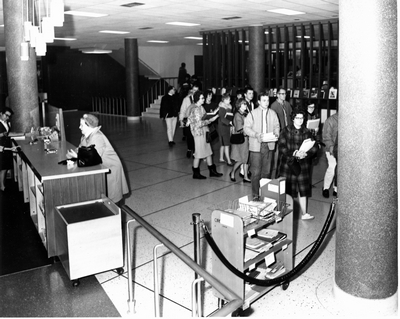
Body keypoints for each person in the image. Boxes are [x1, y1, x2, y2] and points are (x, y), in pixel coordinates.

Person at [66, 114, 129, 204]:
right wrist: (73, 153)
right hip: (101, 167)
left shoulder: (97, 137)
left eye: (82, 125)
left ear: (89, 126)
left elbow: (94, 158)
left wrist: (77, 156)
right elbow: (80, 148)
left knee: (112, 201)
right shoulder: (86, 136)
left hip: (110, 169)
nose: (79, 127)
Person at [277, 107, 319, 220]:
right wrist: (294, 153)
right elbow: (281, 147)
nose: (300, 120)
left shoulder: (307, 132)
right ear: (293, 119)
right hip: (288, 164)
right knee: (286, 190)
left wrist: (307, 154)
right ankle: (282, 213)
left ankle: (304, 213)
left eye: (302, 118)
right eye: (297, 118)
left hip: (302, 164)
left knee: (302, 190)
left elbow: (315, 147)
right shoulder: (285, 131)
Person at [244, 92, 280, 200]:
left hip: (269, 146)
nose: (266, 103)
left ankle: (265, 195)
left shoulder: (273, 113)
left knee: (267, 172)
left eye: (268, 100)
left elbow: (276, 125)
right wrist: (255, 134)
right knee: (256, 173)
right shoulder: (252, 114)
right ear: (258, 101)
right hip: (256, 146)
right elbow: (246, 128)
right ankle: (255, 196)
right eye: (264, 100)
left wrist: (276, 133)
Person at [187, 91, 222, 179]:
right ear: (197, 99)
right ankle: (196, 173)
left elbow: (205, 116)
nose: (204, 99)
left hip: (204, 132)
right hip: (199, 133)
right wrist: (210, 120)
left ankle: (212, 171)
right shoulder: (195, 109)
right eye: (202, 98)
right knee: (198, 154)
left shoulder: (200, 107)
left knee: (208, 152)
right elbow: (199, 123)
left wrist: (213, 116)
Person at [270, 87, 293, 178]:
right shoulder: (274, 106)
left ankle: (287, 172)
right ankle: (278, 173)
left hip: (288, 131)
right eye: (282, 94)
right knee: (279, 153)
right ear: (278, 95)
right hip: (280, 132)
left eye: (285, 94)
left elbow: (291, 116)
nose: (284, 95)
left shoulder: (287, 104)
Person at [230, 98, 250, 183]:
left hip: (246, 139)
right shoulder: (237, 115)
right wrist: (248, 124)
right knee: (241, 160)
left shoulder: (245, 113)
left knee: (245, 159)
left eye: (246, 103)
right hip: (241, 139)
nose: (245, 105)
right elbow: (239, 128)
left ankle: (245, 176)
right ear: (239, 105)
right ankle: (232, 172)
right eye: (243, 104)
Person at [179, 84, 199, 158]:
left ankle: (195, 151)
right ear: (191, 90)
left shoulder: (201, 99)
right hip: (189, 120)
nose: (195, 92)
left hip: (197, 121)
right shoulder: (187, 99)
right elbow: (182, 110)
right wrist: (181, 120)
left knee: (196, 137)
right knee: (189, 136)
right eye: (194, 90)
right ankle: (189, 149)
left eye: (197, 90)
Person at [0, 107, 17, 192]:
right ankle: (2, 186)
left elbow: (8, 133)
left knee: (5, 167)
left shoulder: (6, 123)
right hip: (1, 147)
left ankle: (3, 184)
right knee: (2, 168)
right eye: (6, 115)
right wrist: (3, 134)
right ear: (1, 113)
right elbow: (3, 134)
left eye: (8, 116)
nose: (7, 118)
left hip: (6, 147)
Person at [322, 112, 338, 198]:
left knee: (340, 170)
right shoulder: (330, 120)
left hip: (342, 150)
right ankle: (325, 188)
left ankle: (336, 188)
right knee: (333, 167)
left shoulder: (348, 119)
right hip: (331, 149)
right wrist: (332, 147)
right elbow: (326, 137)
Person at [217, 93, 234, 166]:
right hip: (224, 127)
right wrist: (230, 122)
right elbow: (222, 118)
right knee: (226, 144)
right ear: (224, 100)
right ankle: (228, 160)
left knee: (223, 144)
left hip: (224, 127)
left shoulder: (225, 107)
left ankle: (221, 158)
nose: (230, 101)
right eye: (229, 99)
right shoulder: (222, 108)